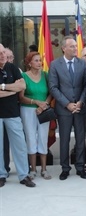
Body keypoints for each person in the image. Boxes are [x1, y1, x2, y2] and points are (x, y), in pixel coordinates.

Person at [49, 36, 86, 180]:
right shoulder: (55, 65)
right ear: (64, 48)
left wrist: (80, 101)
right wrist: (67, 104)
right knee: (64, 139)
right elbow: (53, 87)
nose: (75, 48)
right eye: (71, 46)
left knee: (80, 139)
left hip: (79, 108)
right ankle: (65, 168)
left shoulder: (82, 64)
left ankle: (80, 167)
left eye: (75, 46)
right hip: (64, 109)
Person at [0, 43, 36, 187]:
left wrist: (3, 87)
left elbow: (22, 86)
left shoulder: (12, 68)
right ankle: (1, 174)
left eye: (3, 52)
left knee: (20, 145)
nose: (2, 55)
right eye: (0, 53)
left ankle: (23, 175)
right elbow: (15, 87)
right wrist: (12, 89)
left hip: (13, 114)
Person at [19, 51, 52, 180]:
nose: (40, 63)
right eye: (36, 60)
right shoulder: (24, 76)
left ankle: (44, 169)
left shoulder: (45, 75)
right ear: (29, 63)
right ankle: (33, 170)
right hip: (27, 111)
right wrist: (35, 102)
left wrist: (44, 105)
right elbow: (21, 97)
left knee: (43, 138)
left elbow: (51, 93)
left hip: (43, 110)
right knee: (31, 138)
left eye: (40, 60)